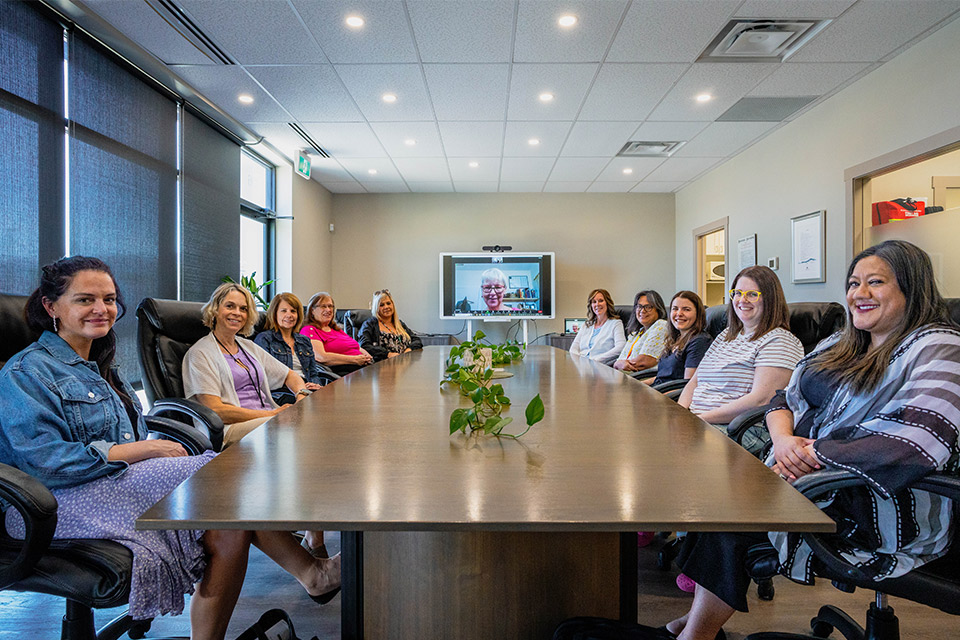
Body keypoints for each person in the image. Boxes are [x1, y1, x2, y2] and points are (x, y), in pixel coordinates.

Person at [0, 257, 340, 640]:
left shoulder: (99, 365)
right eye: (85, 300)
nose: (102, 309)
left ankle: (293, 587)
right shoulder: (26, 372)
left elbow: (131, 434)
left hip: (108, 486)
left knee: (228, 528)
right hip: (47, 506)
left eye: (109, 299)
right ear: (51, 307)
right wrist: (141, 452)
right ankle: (313, 573)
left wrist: (149, 448)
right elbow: (44, 462)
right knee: (222, 475)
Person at [653, 240, 960, 640]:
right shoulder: (842, 343)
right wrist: (782, 441)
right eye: (853, 283)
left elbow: (917, 441)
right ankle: (693, 627)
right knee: (727, 501)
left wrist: (810, 455)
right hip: (806, 473)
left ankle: (695, 632)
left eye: (875, 282)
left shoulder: (938, 347)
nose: (859, 294)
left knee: (730, 504)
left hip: (880, 499)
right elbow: (782, 398)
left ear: (911, 288)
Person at [183, 282, 311, 448]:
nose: (237, 313)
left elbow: (289, 375)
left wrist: (300, 396)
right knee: (292, 431)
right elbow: (216, 410)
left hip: (266, 418)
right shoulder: (200, 354)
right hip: (228, 428)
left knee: (310, 420)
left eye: (243, 309)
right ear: (215, 309)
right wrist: (271, 414)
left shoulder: (247, 347)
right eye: (230, 306)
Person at [677, 266, 803, 426]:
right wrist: (680, 415)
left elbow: (761, 400)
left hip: (736, 429)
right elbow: (695, 381)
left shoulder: (779, 341)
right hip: (698, 421)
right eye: (737, 293)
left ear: (770, 299)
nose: (742, 300)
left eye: (752, 294)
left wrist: (696, 421)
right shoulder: (727, 335)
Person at [254, 292, 335, 390]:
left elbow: (313, 374)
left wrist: (317, 386)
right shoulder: (264, 339)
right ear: (274, 314)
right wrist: (299, 387)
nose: (289, 315)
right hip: (283, 392)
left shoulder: (304, 341)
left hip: (309, 389)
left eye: (293, 311)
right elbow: (266, 376)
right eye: (284, 311)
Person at [647, 291, 713, 386]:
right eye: (675, 309)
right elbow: (662, 377)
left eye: (686, 309)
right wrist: (639, 385)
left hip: (670, 397)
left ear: (698, 314)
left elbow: (686, 386)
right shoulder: (675, 339)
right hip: (659, 391)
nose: (679, 314)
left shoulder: (700, 341)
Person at [299, 292, 373, 375]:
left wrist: (368, 357)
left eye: (330, 306)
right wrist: (355, 359)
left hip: (364, 368)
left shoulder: (336, 329)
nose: (328, 310)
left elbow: (356, 347)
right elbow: (321, 357)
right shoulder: (309, 330)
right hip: (345, 373)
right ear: (312, 310)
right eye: (323, 306)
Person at [358, 289, 423, 362]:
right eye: (382, 305)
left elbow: (417, 340)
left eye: (388, 303)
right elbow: (364, 346)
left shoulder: (399, 323)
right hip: (383, 367)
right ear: (376, 308)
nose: (386, 307)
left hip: (404, 364)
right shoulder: (369, 324)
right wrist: (387, 354)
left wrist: (409, 349)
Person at [613, 290, 669, 372]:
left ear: (658, 309)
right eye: (639, 306)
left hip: (641, 379)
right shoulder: (637, 332)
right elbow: (619, 361)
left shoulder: (661, 325)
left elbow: (643, 362)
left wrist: (619, 364)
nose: (642, 311)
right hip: (623, 376)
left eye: (648, 307)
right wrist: (618, 364)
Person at [568, 289, 626, 366]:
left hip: (601, 367)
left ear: (607, 303)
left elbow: (621, 347)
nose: (597, 304)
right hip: (581, 366)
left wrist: (597, 359)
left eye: (601, 300)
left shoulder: (616, 323)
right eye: (594, 302)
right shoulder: (587, 325)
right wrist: (579, 360)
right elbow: (574, 348)